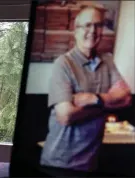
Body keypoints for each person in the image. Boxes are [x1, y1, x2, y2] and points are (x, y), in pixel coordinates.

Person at [40, 6, 132, 175]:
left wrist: (93, 98)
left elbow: (126, 98)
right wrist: (108, 102)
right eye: (87, 25)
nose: (93, 31)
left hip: (90, 163)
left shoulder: (108, 61)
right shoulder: (63, 64)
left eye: (98, 25)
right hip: (59, 164)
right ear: (76, 30)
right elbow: (65, 116)